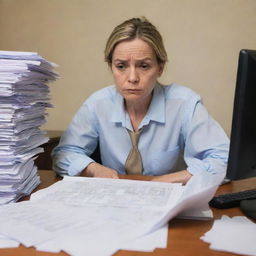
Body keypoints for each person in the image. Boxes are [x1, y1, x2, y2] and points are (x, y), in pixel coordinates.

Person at [52, 17, 229, 184]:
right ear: (111, 67)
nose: (132, 78)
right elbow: (64, 153)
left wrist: (169, 180)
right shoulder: (97, 104)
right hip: (113, 200)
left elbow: (223, 159)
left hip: (170, 201)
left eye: (143, 66)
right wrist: (93, 169)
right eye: (121, 66)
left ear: (160, 68)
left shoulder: (185, 103)